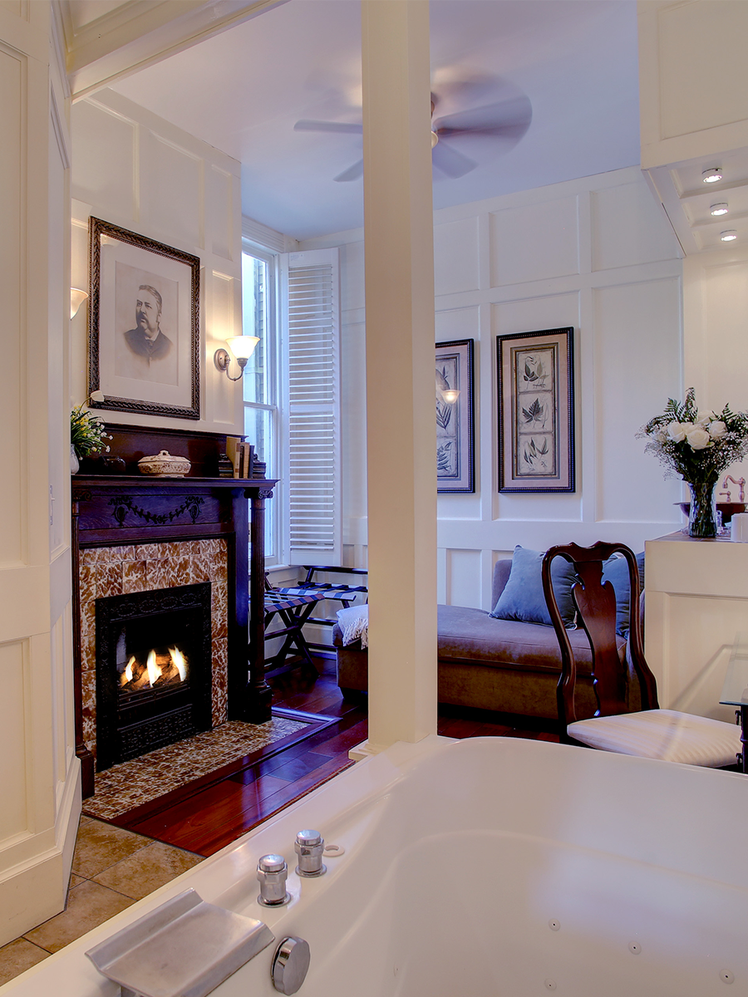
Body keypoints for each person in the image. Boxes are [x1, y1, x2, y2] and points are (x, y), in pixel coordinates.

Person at [123, 285, 173, 363]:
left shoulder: (169, 347)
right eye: (139, 304)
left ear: (159, 316)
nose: (142, 310)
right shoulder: (125, 340)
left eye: (148, 306)